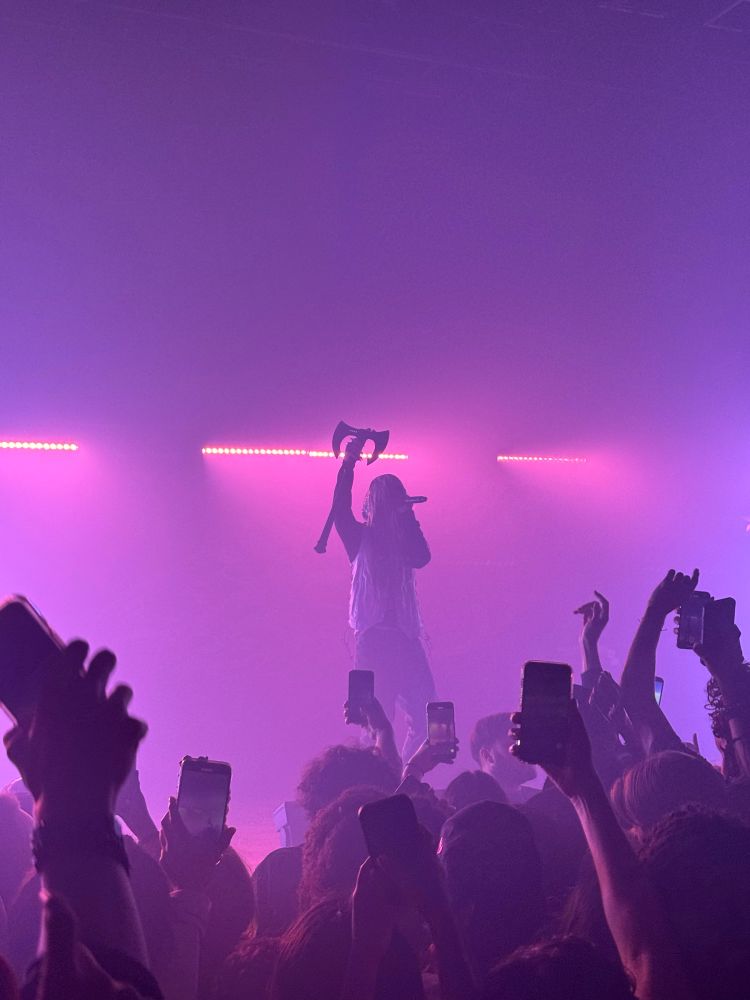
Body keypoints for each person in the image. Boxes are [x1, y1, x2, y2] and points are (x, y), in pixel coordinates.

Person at [332, 433, 435, 758]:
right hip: (373, 642)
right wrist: (348, 463)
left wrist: (408, 515)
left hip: (406, 639)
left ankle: (406, 774)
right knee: (374, 720)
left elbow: (422, 557)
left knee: (428, 716)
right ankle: (375, 780)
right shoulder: (359, 537)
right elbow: (340, 508)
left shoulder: (406, 545)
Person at [469, 714, 537, 804]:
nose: (529, 750)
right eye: (517, 745)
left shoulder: (545, 801)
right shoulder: (460, 804)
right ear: (487, 756)